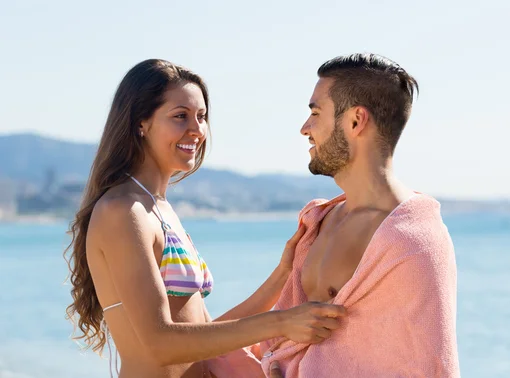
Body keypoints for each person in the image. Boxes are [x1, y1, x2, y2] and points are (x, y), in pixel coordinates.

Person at [64, 58, 346, 378]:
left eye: (201, 117)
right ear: (140, 123)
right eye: (180, 116)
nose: (197, 130)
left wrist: (283, 273)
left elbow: (205, 333)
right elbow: (159, 343)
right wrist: (282, 323)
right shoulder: (123, 211)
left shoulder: (158, 208)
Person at [263, 53, 460, 377]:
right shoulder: (319, 221)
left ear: (355, 121)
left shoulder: (414, 242)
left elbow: (429, 363)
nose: (304, 128)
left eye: (315, 112)